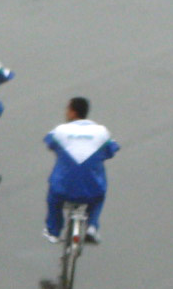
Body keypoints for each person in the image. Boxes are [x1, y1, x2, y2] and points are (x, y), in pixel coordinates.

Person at [43, 97, 119, 244]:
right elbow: (111, 151)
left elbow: (50, 143)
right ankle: (92, 226)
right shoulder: (101, 131)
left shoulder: (60, 131)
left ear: (72, 112)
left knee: (53, 198)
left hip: (63, 189)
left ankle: (54, 231)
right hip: (91, 190)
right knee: (99, 196)